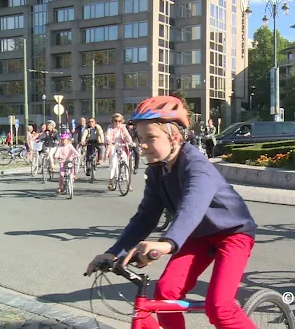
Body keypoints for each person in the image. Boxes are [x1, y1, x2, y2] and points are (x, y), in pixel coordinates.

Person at [85, 96, 259, 329]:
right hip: (197, 236)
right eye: (140, 138)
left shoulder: (196, 166)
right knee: (165, 295)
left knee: (219, 307)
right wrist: (115, 252)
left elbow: (192, 206)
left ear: (174, 137)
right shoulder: (158, 171)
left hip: (232, 234)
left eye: (150, 138)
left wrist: (167, 243)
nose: (142, 145)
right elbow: (145, 218)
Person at [105, 113, 134, 191]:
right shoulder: (110, 128)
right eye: (115, 121)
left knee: (126, 161)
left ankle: (128, 184)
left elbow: (127, 135)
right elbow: (108, 136)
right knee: (113, 164)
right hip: (113, 145)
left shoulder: (123, 127)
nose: (117, 123)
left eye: (119, 121)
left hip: (122, 145)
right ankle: (110, 181)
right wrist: (109, 140)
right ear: (113, 121)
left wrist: (130, 142)